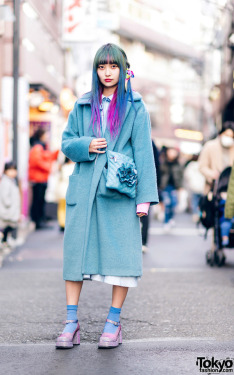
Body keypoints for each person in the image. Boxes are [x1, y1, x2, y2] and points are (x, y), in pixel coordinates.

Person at [55, 43, 159, 349]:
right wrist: (86, 145)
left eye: (113, 66)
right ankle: (71, 323)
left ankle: (113, 322)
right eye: (102, 67)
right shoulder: (82, 105)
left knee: (123, 257)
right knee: (75, 256)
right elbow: (66, 142)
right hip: (85, 189)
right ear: (95, 70)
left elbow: (144, 154)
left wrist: (144, 200)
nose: (107, 72)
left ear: (124, 70)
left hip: (119, 193)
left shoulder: (136, 107)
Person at [28, 129, 59, 230]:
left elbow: (48, 156)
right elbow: (36, 161)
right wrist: (49, 167)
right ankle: (37, 221)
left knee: (40, 200)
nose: (47, 136)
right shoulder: (38, 147)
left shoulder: (41, 147)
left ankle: (40, 220)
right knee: (38, 201)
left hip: (41, 178)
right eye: (46, 134)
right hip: (38, 179)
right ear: (41, 135)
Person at [198, 122, 234, 194]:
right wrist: (212, 174)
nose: (229, 138)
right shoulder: (210, 146)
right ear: (220, 134)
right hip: (213, 188)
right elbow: (202, 166)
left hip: (229, 189)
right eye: (226, 135)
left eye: (231, 136)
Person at [0, 162, 20, 247]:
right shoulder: (6, 182)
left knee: (9, 225)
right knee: (7, 225)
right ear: (5, 171)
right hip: (6, 210)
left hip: (8, 210)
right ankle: (1, 238)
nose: (13, 172)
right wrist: (9, 204)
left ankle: (3, 240)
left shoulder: (10, 181)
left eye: (14, 170)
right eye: (10, 170)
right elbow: (5, 196)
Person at [141, 140, 160, 252]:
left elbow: (156, 165)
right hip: (146, 182)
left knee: (144, 214)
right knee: (144, 214)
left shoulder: (151, 143)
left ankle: (144, 241)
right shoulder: (151, 142)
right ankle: (143, 242)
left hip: (144, 183)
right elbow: (157, 165)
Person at [160, 147, 183, 231]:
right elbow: (160, 174)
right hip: (165, 187)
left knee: (173, 203)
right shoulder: (163, 163)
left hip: (174, 187)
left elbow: (181, 176)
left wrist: (180, 187)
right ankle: (166, 222)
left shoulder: (178, 164)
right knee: (167, 205)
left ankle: (170, 218)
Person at [184, 154, 205, 223]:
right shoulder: (203, 165)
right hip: (202, 186)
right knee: (201, 202)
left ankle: (195, 214)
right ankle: (200, 213)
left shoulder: (191, 165)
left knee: (194, 201)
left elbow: (187, 175)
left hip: (194, 186)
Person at [55, 157, 75, 231]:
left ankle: (62, 223)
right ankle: (67, 223)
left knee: (61, 208)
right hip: (70, 189)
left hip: (62, 189)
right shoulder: (74, 166)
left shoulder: (63, 167)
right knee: (69, 207)